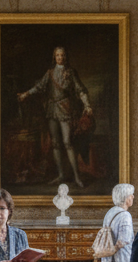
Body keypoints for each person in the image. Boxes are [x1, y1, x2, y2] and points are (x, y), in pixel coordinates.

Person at [17, 45, 92, 188]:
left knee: (67, 142)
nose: (60, 58)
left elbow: (81, 90)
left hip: (65, 109)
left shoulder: (71, 72)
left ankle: (77, 177)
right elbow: (39, 86)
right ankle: (61, 175)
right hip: (52, 109)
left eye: (63, 55)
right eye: (58, 55)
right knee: (56, 144)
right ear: (54, 57)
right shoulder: (50, 73)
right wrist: (26, 94)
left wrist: (87, 105)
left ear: (66, 57)